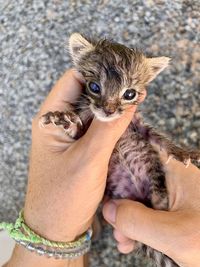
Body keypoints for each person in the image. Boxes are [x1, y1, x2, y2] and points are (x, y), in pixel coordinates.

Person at [4, 70, 200, 267]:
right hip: (131, 190)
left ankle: (81, 234)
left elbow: (147, 132)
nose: (109, 107)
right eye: (96, 88)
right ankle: (83, 234)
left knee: (158, 247)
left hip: (135, 193)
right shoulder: (86, 107)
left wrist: (176, 151)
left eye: (128, 94)